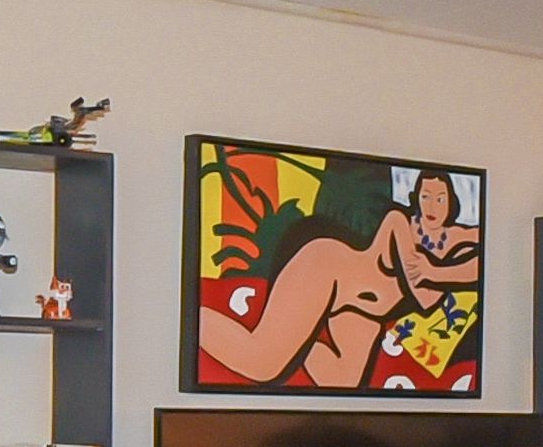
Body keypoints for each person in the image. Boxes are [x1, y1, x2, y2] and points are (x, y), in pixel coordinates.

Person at [199, 166, 482, 389]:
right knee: (264, 364)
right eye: (425, 197)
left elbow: (481, 258)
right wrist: (443, 271)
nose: (432, 207)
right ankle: (193, 319)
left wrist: (438, 270)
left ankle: (299, 340)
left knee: (341, 381)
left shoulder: (457, 239)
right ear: (416, 198)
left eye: (440, 199)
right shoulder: (399, 221)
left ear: (452, 203)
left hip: (363, 311)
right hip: (330, 271)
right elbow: (421, 290)